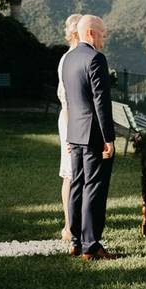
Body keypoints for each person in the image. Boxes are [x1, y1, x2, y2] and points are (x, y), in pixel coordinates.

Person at [62, 14, 120, 260]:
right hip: (93, 134)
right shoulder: (96, 58)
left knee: (77, 185)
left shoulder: (69, 58)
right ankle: (91, 245)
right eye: (102, 33)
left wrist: (69, 135)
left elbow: (70, 100)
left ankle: (76, 240)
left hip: (75, 131)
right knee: (94, 188)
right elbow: (101, 103)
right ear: (91, 33)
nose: (104, 38)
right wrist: (109, 137)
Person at [57, 13, 83, 242]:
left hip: (77, 121)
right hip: (70, 121)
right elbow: (65, 101)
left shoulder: (76, 56)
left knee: (75, 176)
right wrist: (69, 136)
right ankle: (69, 226)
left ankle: (74, 225)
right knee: (70, 175)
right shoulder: (68, 59)